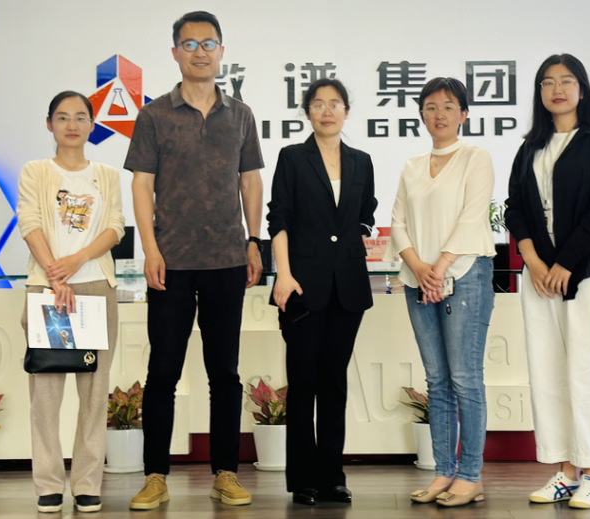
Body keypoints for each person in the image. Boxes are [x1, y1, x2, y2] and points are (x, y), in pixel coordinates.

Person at [125, 11, 264, 509]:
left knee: (224, 372)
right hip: (172, 263)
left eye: (208, 43)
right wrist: (150, 248)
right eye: (190, 44)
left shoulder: (241, 114)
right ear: (175, 53)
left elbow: (251, 180)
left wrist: (254, 240)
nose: (200, 52)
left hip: (227, 259)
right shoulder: (154, 116)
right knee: (163, 372)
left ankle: (225, 473)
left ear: (222, 52)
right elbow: (141, 184)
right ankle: (155, 476)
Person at [505, 54, 590, 509]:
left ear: (581, 89)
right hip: (539, 278)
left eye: (566, 81)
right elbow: (515, 207)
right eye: (548, 82)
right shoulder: (531, 147)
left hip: (588, 274)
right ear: (539, 93)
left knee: (588, 371)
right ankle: (566, 472)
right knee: (548, 373)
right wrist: (533, 260)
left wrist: (566, 264)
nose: (557, 89)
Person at [267, 78, 377, 506]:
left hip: (347, 288)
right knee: (303, 384)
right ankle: (303, 479)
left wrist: (352, 242)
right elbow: (279, 219)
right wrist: (283, 274)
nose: (327, 111)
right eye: (317, 104)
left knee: (335, 383)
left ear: (347, 111)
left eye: (335, 104)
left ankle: (333, 476)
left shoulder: (362, 161)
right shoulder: (293, 158)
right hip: (300, 286)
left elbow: (365, 214)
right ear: (307, 112)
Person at [387, 77, 495, 507]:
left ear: (464, 114)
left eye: (449, 106)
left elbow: (472, 218)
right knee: (437, 379)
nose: (439, 115)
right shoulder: (412, 166)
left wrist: (441, 266)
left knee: (465, 378)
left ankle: (470, 475)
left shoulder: (475, 158)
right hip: (419, 280)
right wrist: (419, 267)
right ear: (421, 114)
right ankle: (444, 472)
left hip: (465, 273)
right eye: (431, 107)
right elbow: (397, 222)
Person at [16, 91, 125, 513]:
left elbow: (115, 226)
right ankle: (47, 483)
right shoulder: (36, 171)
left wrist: (76, 262)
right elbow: (30, 222)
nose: (72, 125)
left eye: (81, 117)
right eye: (62, 117)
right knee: (45, 392)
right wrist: (55, 275)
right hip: (47, 290)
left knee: (94, 394)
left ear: (93, 125)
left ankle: (86, 483)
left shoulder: (107, 174)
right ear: (49, 124)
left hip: (96, 287)